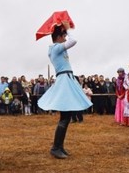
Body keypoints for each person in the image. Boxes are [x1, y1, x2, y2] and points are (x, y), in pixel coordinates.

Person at [38, 22, 92, 159]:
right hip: (64, 81)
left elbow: (70, 42)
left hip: (67, 79)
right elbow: (74, 41)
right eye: (63, 36)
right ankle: (56, 147)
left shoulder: (58, 48)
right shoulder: (56, 48)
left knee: (66, 117)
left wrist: (63, 29)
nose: (65, 38)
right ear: (58, 37)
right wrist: (67, 29)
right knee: (65, 117)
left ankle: (59, 146)